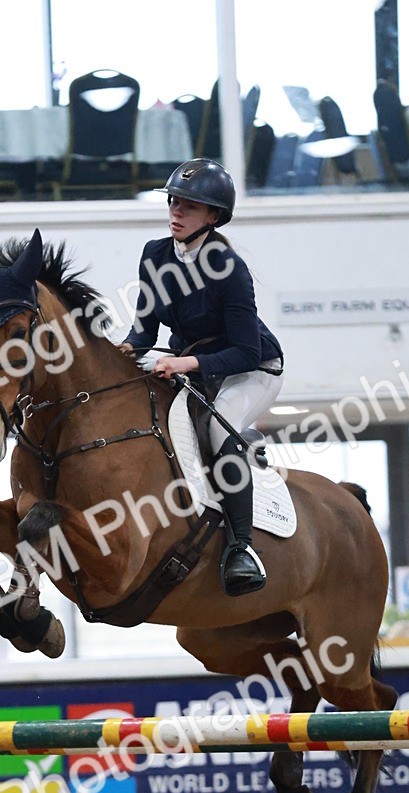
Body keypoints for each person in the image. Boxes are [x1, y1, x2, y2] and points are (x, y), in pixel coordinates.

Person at [120, 158, 283, 597]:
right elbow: (144, 330)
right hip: (192, 361)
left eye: (189, 207)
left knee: (216, 429)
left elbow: (246, 351)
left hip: (251, 371)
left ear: (213, 216)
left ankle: (242, 548)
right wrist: (120, 352)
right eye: (173, 202)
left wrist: (183, 365)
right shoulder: (154, 254)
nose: (176, 212)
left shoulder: (230, 269)